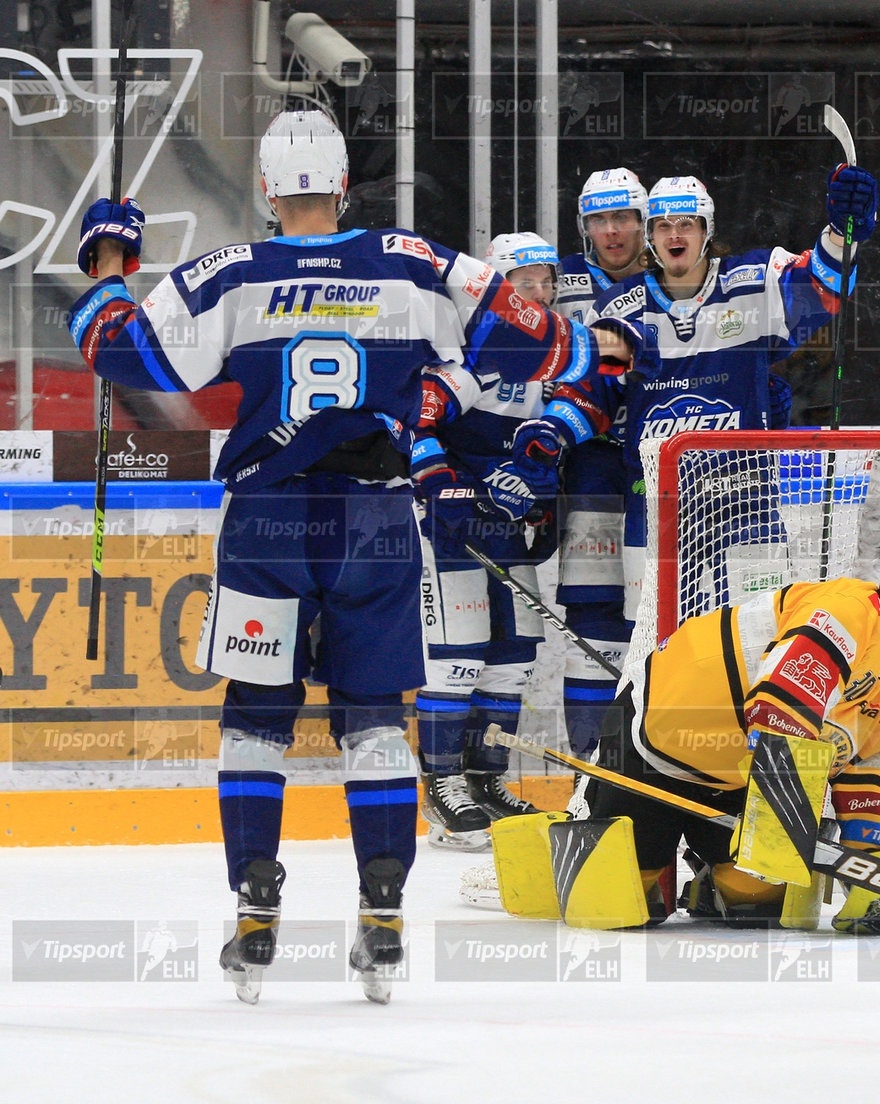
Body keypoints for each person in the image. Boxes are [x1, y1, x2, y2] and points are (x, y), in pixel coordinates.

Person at [69, 110, 636, 1003]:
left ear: (264, 190)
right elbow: (547, 344)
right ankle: (382, 909)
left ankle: (255, 904)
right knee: (374, 718)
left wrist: (109, 262)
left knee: (255, 716)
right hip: (373, 522)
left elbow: (118, 353)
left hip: (266, 524)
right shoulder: (415, 262)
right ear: (342, 186)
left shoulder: (232, 272)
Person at [512, 168, 875, 638]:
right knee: (654, 650)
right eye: (663, 226)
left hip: (745, 501)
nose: (675, 234)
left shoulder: (754, 284)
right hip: (657, 507)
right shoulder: (621, 309)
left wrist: (842, 230)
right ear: (651, 236)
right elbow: (590, 391)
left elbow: (823, 285)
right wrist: (552, 431)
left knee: (754, 638)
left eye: (687, 224)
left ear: (706, 232)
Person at [583, 541, 880, 930]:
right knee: (612, 906)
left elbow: (876, 781)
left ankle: (710, 883)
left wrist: (876, 864)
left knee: (759, 906)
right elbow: (782, 704)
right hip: (651, 748)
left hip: (737, 781)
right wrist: (782, 813)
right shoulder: (846, 609)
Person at [415, 232, 564, 849]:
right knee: (457, 655)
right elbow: (408, 424)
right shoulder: (462, 349)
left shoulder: (559, 356)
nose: (534, 293)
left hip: (506, 526)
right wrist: (443, 485)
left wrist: (542, 488)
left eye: (543, 280)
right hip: (450, 523)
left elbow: (566, 431)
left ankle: (486, 778)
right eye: (519, 282)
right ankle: (442, 785)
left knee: (516, 654)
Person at [552, 169, 649, 760]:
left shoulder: (676, 280)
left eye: (623, 219)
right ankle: (591, 771)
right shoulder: (556, 281)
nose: (612, 232)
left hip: (660, 472)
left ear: (644, 222)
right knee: (594, 618)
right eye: (599, 220)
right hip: (587, 466)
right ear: (584, 226)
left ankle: (660, 766)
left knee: (661, 615)